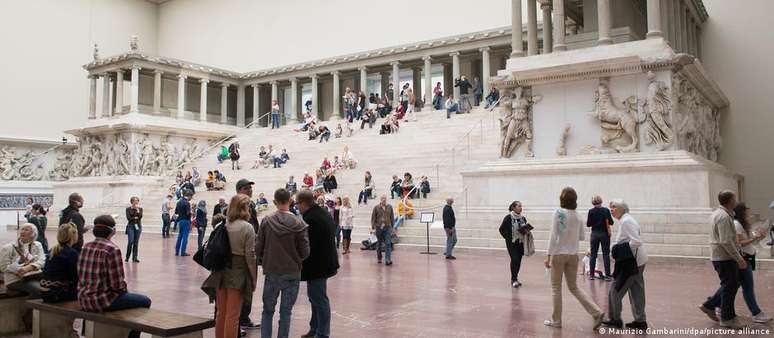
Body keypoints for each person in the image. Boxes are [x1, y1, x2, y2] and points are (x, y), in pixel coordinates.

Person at [78, 215, 151, 338]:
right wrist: (125, 292)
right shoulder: (112, 249)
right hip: (102, 300)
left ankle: (86, 332)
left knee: (127, 298)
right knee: (144, 301)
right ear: (112, 231)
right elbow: (117, 285)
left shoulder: (85, 246)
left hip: (83, 297)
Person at [543, 187, 604, 330]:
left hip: (558, 254)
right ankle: (596, 312)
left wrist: (548, 256)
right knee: (574, 287)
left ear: (562, 199)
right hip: (573, 255)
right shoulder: (578, 215)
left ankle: (556, 320)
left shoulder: (558, 213)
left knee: (556, 288)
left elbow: (553, 236)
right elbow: (582, 236)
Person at [256, 188, 310, 338]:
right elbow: (305, 252)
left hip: (272, 270)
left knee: (267, 311)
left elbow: (258, 247)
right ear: (291, 201)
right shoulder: (299, 223)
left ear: (274, 202)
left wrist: (264, 259)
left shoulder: (267, 221)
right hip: (292, 272)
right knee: (286, 313)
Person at [201, 195, 258, 338]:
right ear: (243, 208)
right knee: (233, 315)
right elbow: (250, 256)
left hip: (220, 270)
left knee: (221, 312)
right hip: (238, 271)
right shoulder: (247, 227)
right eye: (248, 206)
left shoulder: (223, 225)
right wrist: (253, 278)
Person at [698, 190, 748, 328]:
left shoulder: (719, 214)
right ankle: (727, 318)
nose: (736, 201)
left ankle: (709, 305)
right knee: (730, 286)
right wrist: (739, 258)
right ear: (730, 201)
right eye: (734, 198)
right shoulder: (723, 217)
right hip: (724, 258)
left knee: (731, 284)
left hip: (722, 256)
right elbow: (726, 241)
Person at [297, 190, 339, 338]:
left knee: (319, 299)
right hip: (324, 263)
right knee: (315, 297)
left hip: (318, 265)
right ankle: (315, 329)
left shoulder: (311, 218)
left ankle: (322, 333)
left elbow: (308, 245)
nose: (297, 207)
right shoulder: (321, 212)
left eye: (297, 204)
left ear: (303, 203)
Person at [602, 199, 649, 329]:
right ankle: (640, 320)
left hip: (630, 263)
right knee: (636, 290)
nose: (611, 210)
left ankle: (615, 319)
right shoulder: (626, 219)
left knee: (615, 290)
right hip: (638, 261)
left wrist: (618, 249)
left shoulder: (626, 221)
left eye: (614, 207)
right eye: (610, 207)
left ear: (622, 209)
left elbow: (636, 241)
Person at [725, 203, 771, 323]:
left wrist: (759, 236)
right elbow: (740, 243)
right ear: (741, 212)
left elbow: (751, 242)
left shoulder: (744, 224)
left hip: (749, 257)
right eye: (747, 212)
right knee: (747, 287)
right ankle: (756, 313)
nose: (749, 214)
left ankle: (711, 304)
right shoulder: (736, 224)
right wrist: (755, 238)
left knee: (735, 286)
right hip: (743, 258)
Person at [0, 223, 45, 297]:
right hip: (15, 280)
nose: (22, 232)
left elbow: (42, 260)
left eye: (26, 230)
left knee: (52, 287)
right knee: (38, 290)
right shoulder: (8, 248)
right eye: (22, 229)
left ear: (33, 234)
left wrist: (30, 267)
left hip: (33, 276)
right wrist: (19, 268)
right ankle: (27, 308)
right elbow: (3, 267)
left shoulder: (37, 245)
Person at [40, 223, 79, 304]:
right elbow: (75, 276)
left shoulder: (53, 250)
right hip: (58, 294)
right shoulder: (71, 253)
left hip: (45, 291)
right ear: (73, 236)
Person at [499, 201, 530, 288]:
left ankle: (515, 278)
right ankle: (513, 279)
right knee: (514, 259)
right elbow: (501, 229)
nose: (521, 208)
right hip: (511, 243)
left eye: (521, 206)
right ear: (514, 207)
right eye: (519, 206)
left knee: (519, 261)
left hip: (520, 242)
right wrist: (507, 237)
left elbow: (524, 230)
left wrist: (527, 231)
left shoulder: (523, 218)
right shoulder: (508, 218)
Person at [587, 195, 614, 281]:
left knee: (593, 255)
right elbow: (611, 222)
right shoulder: (606, 210)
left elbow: (588, 224)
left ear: (593, 202)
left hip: (594, 234)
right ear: (601, 201)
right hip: (604, 234)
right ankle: (608, 275)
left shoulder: (591, 211)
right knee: (606, 254)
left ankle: (591, 275)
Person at [371, 195, 395, 265]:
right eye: (382, 198)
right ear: (380, 200)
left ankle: (388, 259)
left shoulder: (389, 207)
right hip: (379, 228)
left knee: (388, 243)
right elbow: (373, 219)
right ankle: (379, 257)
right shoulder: (376, 208)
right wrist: (373, 228)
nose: (384, 200)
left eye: (385, 198)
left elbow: (392, 217)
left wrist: (392, 227)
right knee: (379, 243)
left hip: (387, 227)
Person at [174, 190, 193, 256]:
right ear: (189, 196)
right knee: (185, 237)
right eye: (191, 196)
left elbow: (176, 212)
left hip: (180, 220)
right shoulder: (187, 203)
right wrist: (191, 213)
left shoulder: (178, 202)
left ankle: (177, 251)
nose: (191, 198)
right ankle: (183, 252)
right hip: (186, 220)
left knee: (180, 236)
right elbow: (188, 213)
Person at [125, 197, 143, 263]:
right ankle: (127, 257)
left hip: (138, 226)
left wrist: (138, 211)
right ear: (132, 202)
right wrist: (135, 217)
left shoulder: (140, 209)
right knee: (130, 241)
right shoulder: (128, 209)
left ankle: (135, 257)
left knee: (136, 243)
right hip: (131, 226)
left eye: (137, 201)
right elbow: (129, 218)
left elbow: (140, 217)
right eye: (135, 201)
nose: (136, 202)